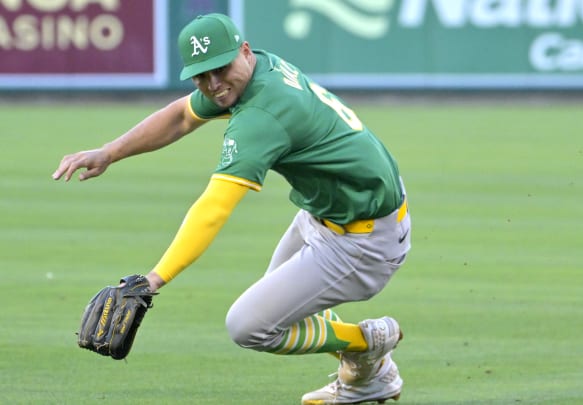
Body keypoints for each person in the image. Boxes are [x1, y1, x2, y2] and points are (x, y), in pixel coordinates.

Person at [52, 13, 411, 405]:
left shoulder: (262, 115)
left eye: (220, 69)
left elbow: (214, 207)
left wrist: (153, 280)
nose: (213, 85)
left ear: (243, 52)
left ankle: (368, 344)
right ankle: (371, 377)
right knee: (282, 311)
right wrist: (109, 152)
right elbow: (180, 117)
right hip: (330, 213)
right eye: (200, 76)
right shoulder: (261, 69)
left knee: (250, 326)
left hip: (362, 240)